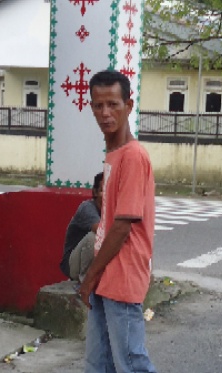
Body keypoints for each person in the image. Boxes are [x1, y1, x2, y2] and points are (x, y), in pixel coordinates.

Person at [78, 70, 157, 373]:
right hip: (107, 276)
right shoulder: (114, 153)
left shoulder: (133, 156)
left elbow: (122, 226)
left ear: (129, 105)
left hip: (122, 276)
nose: (105, 113)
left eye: (113, 104)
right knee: (99, 364)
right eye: (98, 105)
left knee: (132, 364)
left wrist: (88, 279)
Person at [60, 171, 103, 281]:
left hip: (95, 263)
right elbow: (101, 232)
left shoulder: (112, 211)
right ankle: (84, 280)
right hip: (73, 265)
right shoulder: (87, 208)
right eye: (104, 190)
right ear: (96, 192)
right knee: (94, 237)